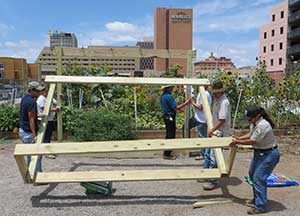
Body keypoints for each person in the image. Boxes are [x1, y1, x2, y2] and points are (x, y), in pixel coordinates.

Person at [230, 105, 280, 215]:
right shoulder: (255, 123)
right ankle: (257, 198)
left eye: (250, 118)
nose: (248, 120)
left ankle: (260, 206)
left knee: (258, 178)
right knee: (252, 175)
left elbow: (253, 141)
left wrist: (237, 142)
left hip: (269, 154)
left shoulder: (263, 125)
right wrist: (239, 138)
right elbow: (251, 134)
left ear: (257, 116)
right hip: (260, 153)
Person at [202, 80, 231, 190]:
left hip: (220, 132)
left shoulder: (224, 102)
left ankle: (213, 181)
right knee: (208, 154)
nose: (213, 94)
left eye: (215, 92)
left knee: (214, 157)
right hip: (215, 130)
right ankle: (206, 175)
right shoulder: (217, 100)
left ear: (220, 92)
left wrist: (212, 129)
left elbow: (222, 120)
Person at [19, 81, 44, 172]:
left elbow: (28, 115)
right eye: (37, 91)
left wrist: (39, 116)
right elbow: (31, 119)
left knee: (30, 154)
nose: (39, 93)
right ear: (32, 90)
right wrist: (34, 135)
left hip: (23, 130)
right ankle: (37, 175)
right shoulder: (31, 102)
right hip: (28, 132)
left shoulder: (24, 99)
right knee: (36, 154)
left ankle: (31, 173)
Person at [160, 85, 190, 159]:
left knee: (168, 134)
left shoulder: (163, 96)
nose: (173, 88)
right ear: (168, 88)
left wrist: (178, 110)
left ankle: (166, 152)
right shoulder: (169, 96)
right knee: (171, 135)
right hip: (170, 117)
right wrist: (186, 103)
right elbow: (175, 107)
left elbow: (171, 107)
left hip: (166, 116)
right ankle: (167, 154)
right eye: (171, 87)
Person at [37, 87, 61, 159]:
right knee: (45, 136)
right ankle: (45, 152)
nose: (47, 93)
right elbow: (44, 108)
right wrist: (55, 109)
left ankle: (46, 151)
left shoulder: (49, 98)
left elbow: (57, 103)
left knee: (48, 136)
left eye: (48, 91)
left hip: (49, 119)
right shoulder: (41, 98)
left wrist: (61, 99)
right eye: (46, 91)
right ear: (42, 92)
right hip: (43, 119)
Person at [190, 86, 212, 160]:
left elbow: (201, 107)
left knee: (203, 137)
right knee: (201, 136)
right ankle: (203, 153)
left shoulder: (205, 94)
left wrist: (192, 102)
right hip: (199, 118)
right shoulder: (202, 93)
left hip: (202, 119)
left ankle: (204, 154)